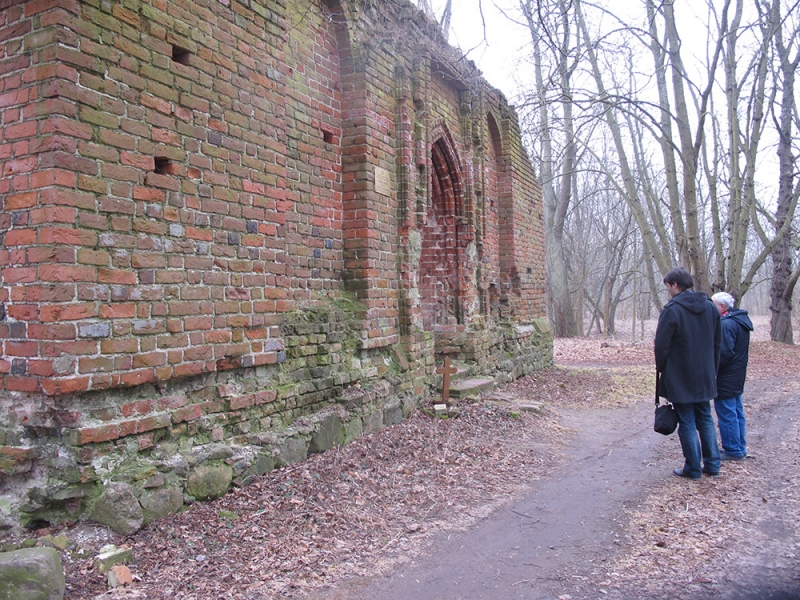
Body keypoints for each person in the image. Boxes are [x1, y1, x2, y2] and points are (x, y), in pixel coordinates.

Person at [654, 267, 721, 479]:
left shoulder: (672, 310)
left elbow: (661, 346)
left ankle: (693, 468)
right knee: (705, 418)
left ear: (675, 285)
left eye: (668, 286)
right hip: (705, 374)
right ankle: (712, 464)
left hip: (680, 375)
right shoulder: (711, 308)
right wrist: (713, 368)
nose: (668, 291)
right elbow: (717, 343)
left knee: (688, 422)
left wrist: (662, 368)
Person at [711, 292, 753, 460]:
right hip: (736, 373)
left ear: (722, 307)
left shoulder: (727, 325)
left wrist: (713, 371)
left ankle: (733, 449)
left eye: (713, 304)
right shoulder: (738, 321)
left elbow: (724, 353)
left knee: (728, 412)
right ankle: (738, 446)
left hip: (727, 376)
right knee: (736, 410)